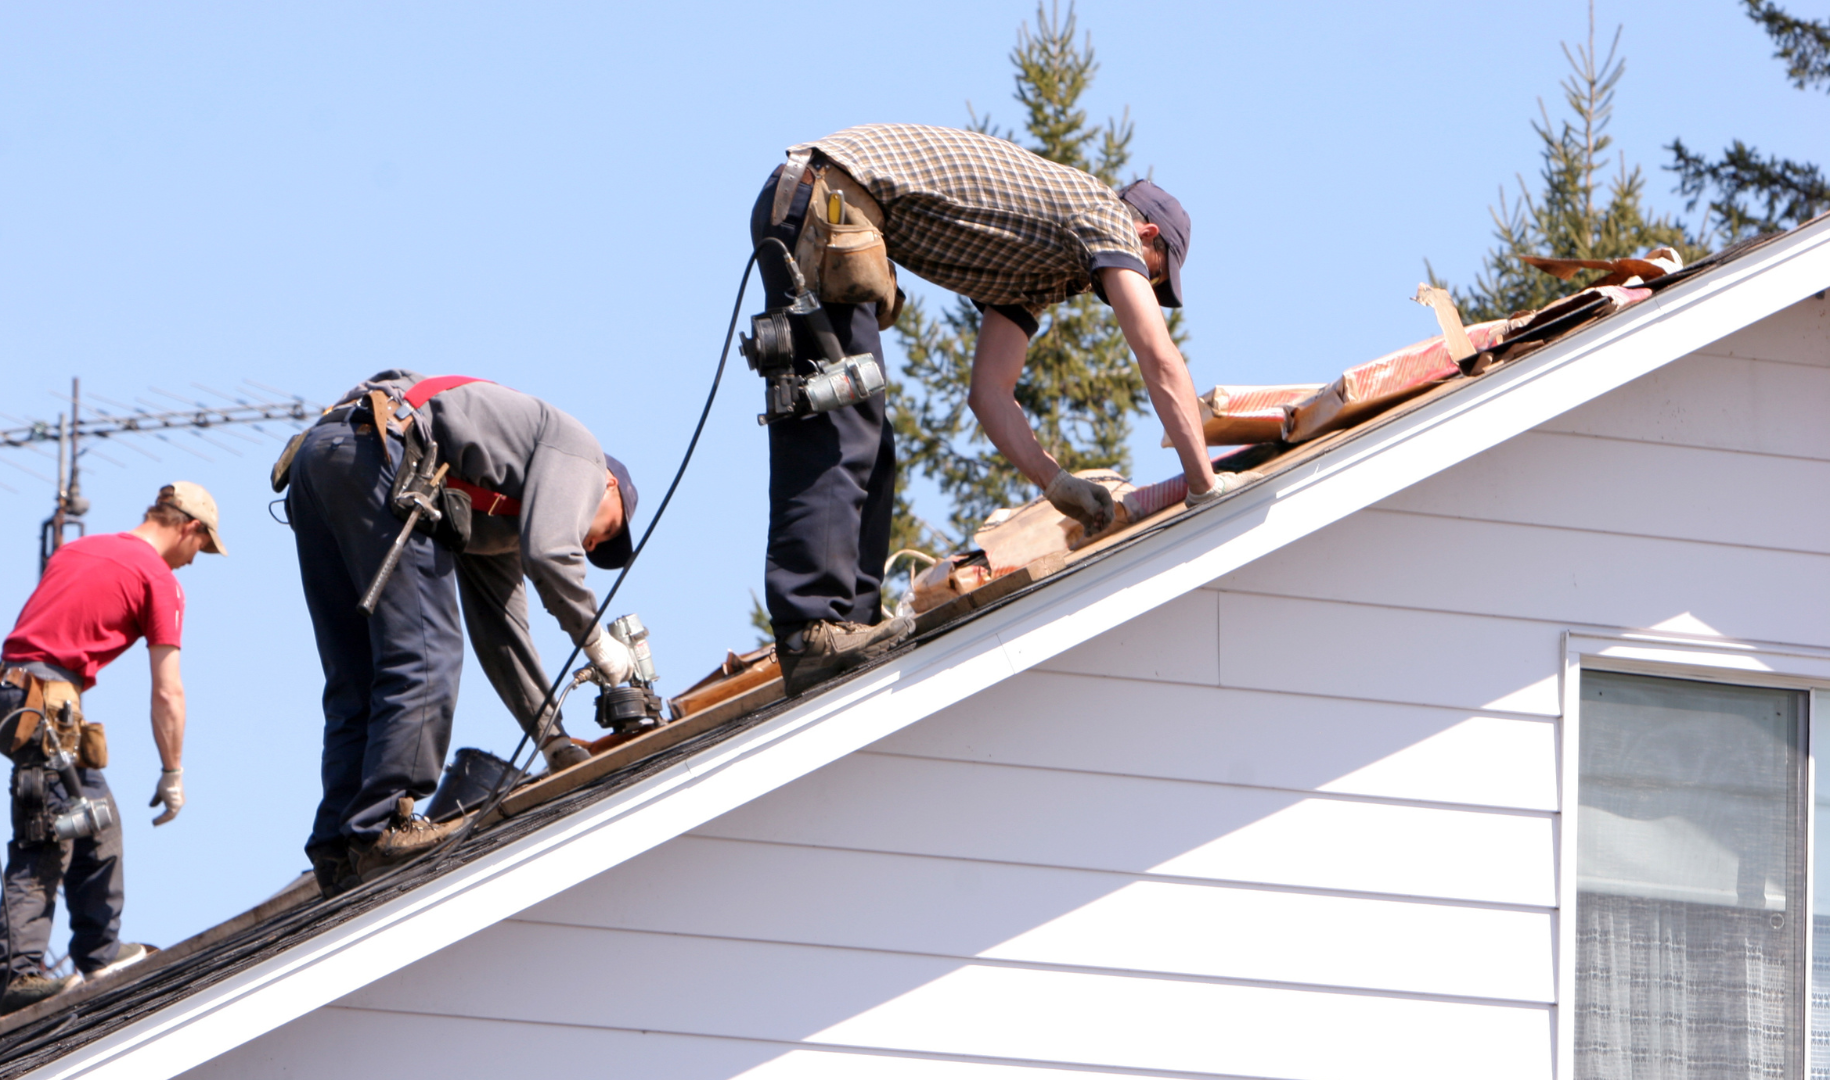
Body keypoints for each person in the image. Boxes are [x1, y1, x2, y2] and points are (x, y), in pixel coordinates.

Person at [752, 123, 1245, 696]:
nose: (1143, 287)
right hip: (824, 198)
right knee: (838, 416)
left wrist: (1054, 481)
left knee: (867, 432)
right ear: (1147, 233)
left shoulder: (1038, 272)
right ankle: (812, 631)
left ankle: (848, 627)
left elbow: (989, 392)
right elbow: (1159, 358)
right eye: (1153, 273)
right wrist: (1204, 485)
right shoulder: (1104, 214)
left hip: (829, 205)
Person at [283, 371, 639, 898]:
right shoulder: (582, 454)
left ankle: (338, 849)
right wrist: (596, 642)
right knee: (427, 654)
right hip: (379, 451)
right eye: (606, 528)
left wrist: (553, 741)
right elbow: (551, 555)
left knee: (359, 675)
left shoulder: (497, 515)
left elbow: (503, 633)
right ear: (608, 483)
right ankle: (383, 826)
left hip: (324, 458)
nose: (590, 541)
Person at [0, 482, 225, 1015]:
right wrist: (172, 771)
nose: (194, 561)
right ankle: (17, 975)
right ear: (188, 526)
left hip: (11, 692)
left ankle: (99, 950)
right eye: (200, 548)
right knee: (48, 835)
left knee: (97, 819)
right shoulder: (156, 578)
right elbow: (168, 690)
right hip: (44, 703)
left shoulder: (78, 549)